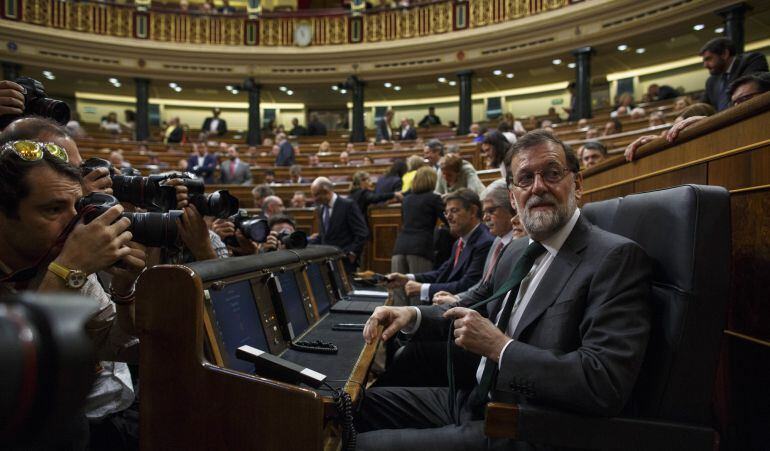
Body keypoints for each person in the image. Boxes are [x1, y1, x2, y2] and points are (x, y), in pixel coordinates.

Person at [355, 130, 652, 450]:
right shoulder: (517, 251)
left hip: (524, 425)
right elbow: (474, 303)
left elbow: (602, 382)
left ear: (577, 185)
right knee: (349, 410)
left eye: (552, 173)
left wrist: (501, 348)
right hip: (474, 401)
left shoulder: (614, 258)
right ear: (513, 197)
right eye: (524, 178)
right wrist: (411, 314)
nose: (538, 187)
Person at [0, 140, 147, 448]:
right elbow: (13, 375)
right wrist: (68, 270)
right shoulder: (69, 263)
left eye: (77, 207)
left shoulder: (56, 256)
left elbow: (112, 346)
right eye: (53, 209)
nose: (75, 224)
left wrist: (123, 291)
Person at [387, 188, 493, 305]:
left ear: (473, 211)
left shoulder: (484, 242)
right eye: (446, 212)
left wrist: (423, 288)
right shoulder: (459, 242)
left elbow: (467, 284)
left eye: (454, 210)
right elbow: (441, 273)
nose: (448, 217)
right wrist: (407, 278)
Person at [390, 166, 446, 306]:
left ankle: (399, 328)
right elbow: (448, 220)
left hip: (399, 247)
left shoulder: (407, 199)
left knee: (399, 295)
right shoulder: (434, 198)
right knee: (418, 294)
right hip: (420, 248)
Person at [309, 177, 369, 274]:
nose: (314, 199)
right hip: (326, 263)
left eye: (316, 195)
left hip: (345, 262)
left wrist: (352, 253)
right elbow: (324, 236)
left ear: (326, 191)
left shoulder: (347, 205)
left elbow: (362, 233)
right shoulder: (321, 209)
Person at [700, 37, 768, 111]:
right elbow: (703, 106)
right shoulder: (711, 81)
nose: (705, 65)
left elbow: (747, 92)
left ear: (724, 54)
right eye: (704, 61)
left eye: (708, 59)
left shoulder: (751, 60)